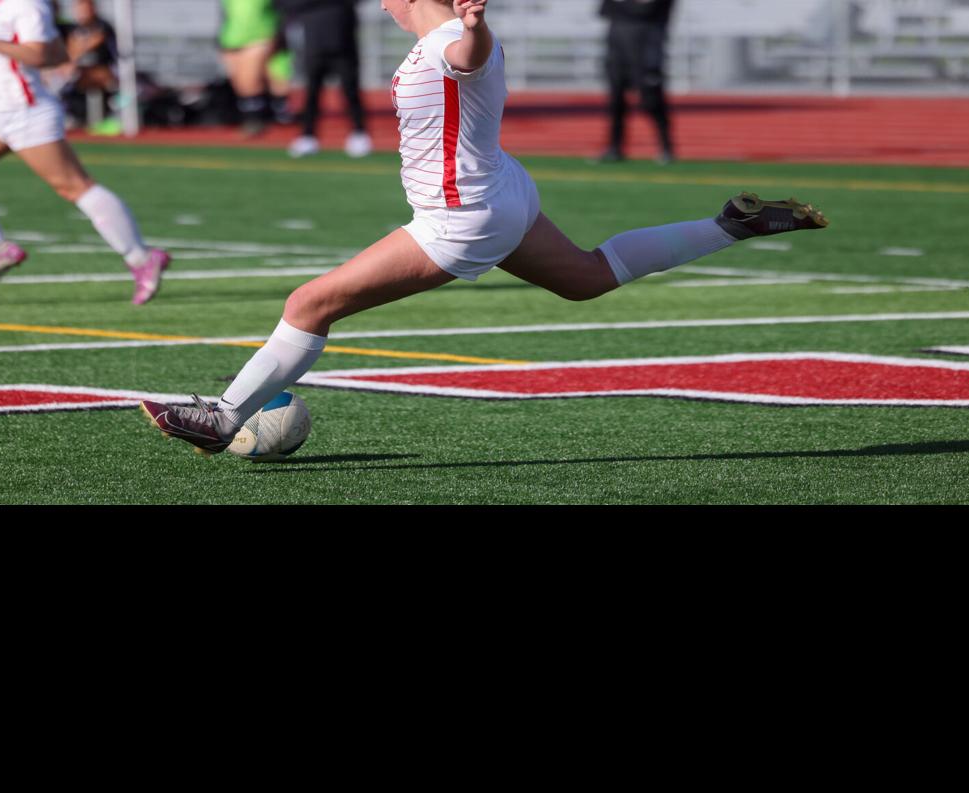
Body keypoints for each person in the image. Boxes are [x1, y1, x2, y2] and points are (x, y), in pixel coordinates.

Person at [140, 0, 826, 454]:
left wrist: (473, 26)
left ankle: (226, 416)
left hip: (462, 216)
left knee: (309, 304)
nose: (381, 3)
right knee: (587, 278)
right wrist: (467, 30)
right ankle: (727, 226)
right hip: (502, 191)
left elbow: (467, 58)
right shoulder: (439, 39)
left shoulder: (449, 41)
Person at [0, 0, 169, 302]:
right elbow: (57, 54)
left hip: (26, 111)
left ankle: (141, 258)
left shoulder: (27, 5)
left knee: (74, 186)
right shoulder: (5, 6)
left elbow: (38, 55)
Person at [276, 0, 370, 158]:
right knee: (311, 94)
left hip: (343, 43)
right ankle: (308, 135)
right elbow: (285, 5)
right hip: (314, 45)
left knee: (351, 91)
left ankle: (359, 133)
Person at [597, 0, 674, 165]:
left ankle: (666, 148)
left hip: (645, 53)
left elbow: (647, 10)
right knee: (616, 103)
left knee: (651, 101)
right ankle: (614, 148)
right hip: (617, 52)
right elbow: (604, 10)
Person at [219, 0, 278, 136]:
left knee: (251, 81)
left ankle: (258, 120)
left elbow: (280, 12)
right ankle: (250, 119)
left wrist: (276, 37)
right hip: (231, 38)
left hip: (259, 35)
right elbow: (225, 15)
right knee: (240, 85)